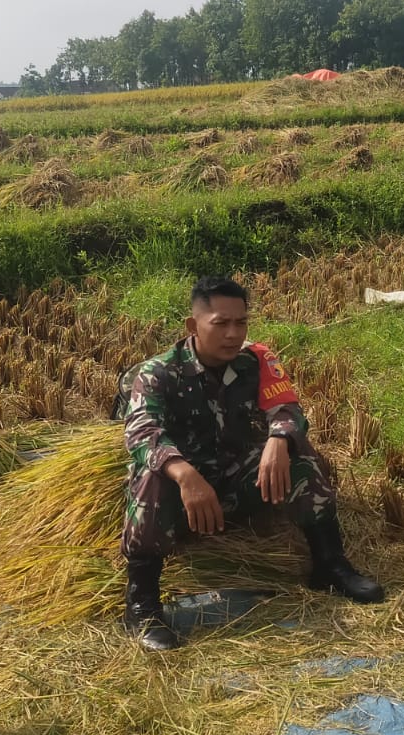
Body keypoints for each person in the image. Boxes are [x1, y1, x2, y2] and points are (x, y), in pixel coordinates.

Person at [119, 276, 383, 651]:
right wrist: (186, 474)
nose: (233, 334)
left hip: (235, 478)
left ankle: (330, 565)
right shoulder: (158, 373)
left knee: (301, 455)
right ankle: (142, 603)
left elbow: (289, 409)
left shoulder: (256, 361)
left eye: (241, 323)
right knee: (152, 476)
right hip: (183, 492)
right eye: (221, 323)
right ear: (193, 326)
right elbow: (142, 433)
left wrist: (279, 440)